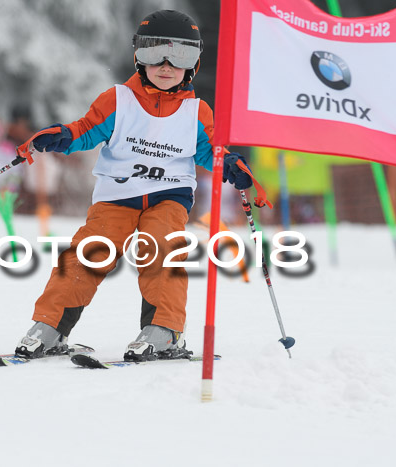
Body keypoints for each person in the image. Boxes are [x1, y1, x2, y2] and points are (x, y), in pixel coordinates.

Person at [14, 10, 253, 362]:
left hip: (169, 195)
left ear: (194, 63)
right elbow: (87, 130)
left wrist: (229, 164)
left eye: (180, 56)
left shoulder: (197, 112)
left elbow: (209, 150)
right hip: (116, 196)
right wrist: (63, 137)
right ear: (139, 57)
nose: (166, 65)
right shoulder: (118, 99)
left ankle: (164, 330)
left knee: (160, 246)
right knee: (88, 252)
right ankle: (49, 327)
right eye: (154, 53)